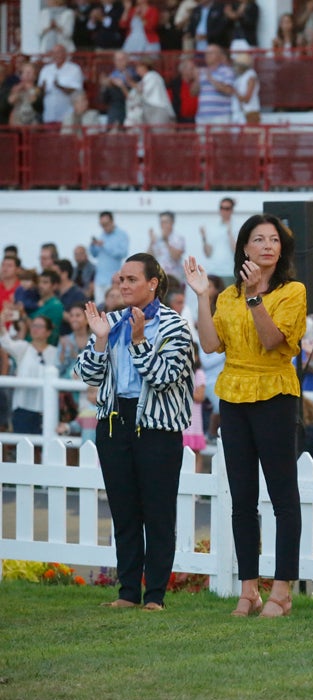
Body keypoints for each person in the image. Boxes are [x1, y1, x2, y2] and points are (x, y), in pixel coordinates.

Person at [183, 214, 307, 618]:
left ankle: (283, 591)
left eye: (274, 240)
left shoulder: (293, 292)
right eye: (259, 239)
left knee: (283, 497)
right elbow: (209, 343)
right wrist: (202, 296)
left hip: (274, 392)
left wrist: (256, 296)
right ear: (245, 248)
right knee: (242, 498)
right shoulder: (228, 296)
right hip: (233, 397)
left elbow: (273, 342)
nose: (268, 245)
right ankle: (249, 589)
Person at [74, 254, 194, 611]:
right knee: (124, 512)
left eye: (130, 279)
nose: (122, 285)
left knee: (158, 513)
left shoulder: (174, 326)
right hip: (113, 422)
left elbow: (163, 377)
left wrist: (140, 340)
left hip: (157, 428)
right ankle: (128, 591)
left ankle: (154, 595)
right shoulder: (108, 322)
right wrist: (99, 342)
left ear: (152, 283)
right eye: (120, 280)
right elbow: (86, 375)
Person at [0, 316, 60, 434]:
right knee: (23, 446)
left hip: (46, 408)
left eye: (40, 326)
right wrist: (2, 322)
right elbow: (6, 343)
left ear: (48, 332)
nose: (35, 329)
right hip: (23, 406)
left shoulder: (54, 352)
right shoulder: (23, 347)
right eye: (33, 325)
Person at [37, 45, 84, 124]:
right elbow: (40, 91)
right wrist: (42, 89)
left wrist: (59, 87)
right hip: (49, 114)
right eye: (54, 53)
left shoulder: (74, 69)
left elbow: (76, 91)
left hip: (67, 114)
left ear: (65, 54)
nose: (56, 55)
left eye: (59, 52)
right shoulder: (45, 69)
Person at [91, 211, 130, 305]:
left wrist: (104, 245)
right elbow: (94, 255)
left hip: (113, 280)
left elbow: (122, 253)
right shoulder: (102, 235)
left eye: (106, 224)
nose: (104, 227)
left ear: (112, 221)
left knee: (115, 305)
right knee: (100, 306)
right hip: (99, 279)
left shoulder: (122, 235)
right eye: (102, 224)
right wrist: (93, 246)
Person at [192, 44, 235, 125]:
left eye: (210, 53)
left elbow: (229, 90)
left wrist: (211, 79)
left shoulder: (226, 71)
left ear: (218, 55)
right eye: (206, 53)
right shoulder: (201, 72)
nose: (207, 56)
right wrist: (197, 80)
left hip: (221, 116)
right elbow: (193, 93)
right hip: (202, 116)